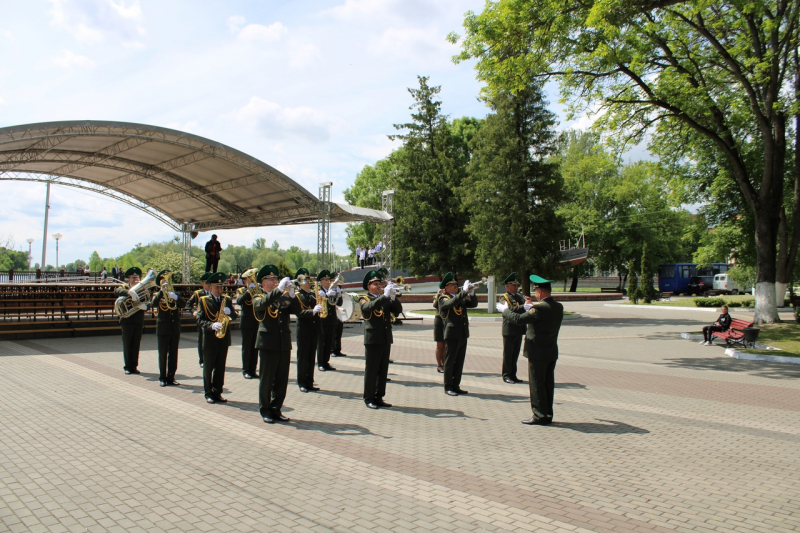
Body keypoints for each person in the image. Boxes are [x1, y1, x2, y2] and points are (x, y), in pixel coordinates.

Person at [498, 275, 564, 425]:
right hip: (551, 350)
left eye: (536, 290)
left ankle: (539, 415)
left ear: (540, 291)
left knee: (537, 384)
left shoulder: (539, 308)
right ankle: (547, 413)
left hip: (537, 351)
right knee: (548, 384)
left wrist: (505, 310)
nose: (535, 294)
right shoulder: (558, 306)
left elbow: (519, 319)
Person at [252, 265, 294, 423]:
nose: (275, 281)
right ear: (263, 283)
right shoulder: (258, 296)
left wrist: (292, 295)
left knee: (282, 379)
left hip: (283, 342)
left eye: (276, 279)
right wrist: (279, 290)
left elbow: (294, 309)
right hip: (268, 343)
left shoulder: (281, 296)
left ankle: (276, 408)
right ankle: (265, 409)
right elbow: (262, 305)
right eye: (272, 279)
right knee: (267, 379)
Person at [359, 270, 402, 409]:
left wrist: (394, 297)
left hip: (385, 337)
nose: (379, 286)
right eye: (375, 284)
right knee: (372, 370)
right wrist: (385, 295)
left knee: (383, 370)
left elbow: (397, 310)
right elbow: (369, 308)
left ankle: (379, 396)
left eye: (380, 283)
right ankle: (369, 397)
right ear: (368, 286)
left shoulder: (385, 298)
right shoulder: (364, 298)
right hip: (372, 338)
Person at [196, 272, 237, 404]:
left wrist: (231, 313)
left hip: (223, 338)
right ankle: (208, 393)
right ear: (211, 286)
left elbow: (235, 316)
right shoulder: (204, 300)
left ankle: (217, 391)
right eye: (217, 287)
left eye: (221, 287)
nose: (220, 290)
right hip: (209, 339)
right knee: (208, 367)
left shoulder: (227, 300)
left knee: (220, 367)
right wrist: (211, 325)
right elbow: (200, 319)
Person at [438, 272, 478, 396]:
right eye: (453, 285)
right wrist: (464, 292)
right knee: (450, 361)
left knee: (459, 361)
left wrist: (471, 293)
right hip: (452, 334)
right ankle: (448, 386)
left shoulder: (459, 297)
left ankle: (456, 385)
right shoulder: (443, 298)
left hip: (462, 333)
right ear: (446, 288)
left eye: (456, 284)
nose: (456, 286)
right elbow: (450, 304)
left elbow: (473, 304)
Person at [290, 268, 323, 392]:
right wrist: (312, 311)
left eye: (308, 279)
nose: (308, 282)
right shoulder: (297, 296)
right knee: (303, 358)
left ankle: (310, 381)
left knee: (311, 357)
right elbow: (299, 312)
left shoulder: (313, 295)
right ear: (299, 283)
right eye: (305, 280)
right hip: (303, 330)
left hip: (313, 329)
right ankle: (302, 382)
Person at [151, 270, 185, 387]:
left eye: (167, 281)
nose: (166, 284)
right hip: (163, 328)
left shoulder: (174, 294)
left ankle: (171, 376)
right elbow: (153, 304)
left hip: (174, 327)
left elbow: (183, 304)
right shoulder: (157, 295)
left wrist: (175, 297)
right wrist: (161, 292)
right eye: (163, 282)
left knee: (173, 353)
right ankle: (162, 377)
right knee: (163, 353)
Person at [114, 267, 148, 375]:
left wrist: (145, 306)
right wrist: (129, 293)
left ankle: (134, 366)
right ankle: (127, 366)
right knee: (127, 344)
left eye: (137, 277)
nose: (135, 279)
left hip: (138, 320)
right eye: (133, 278)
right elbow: (116, 291)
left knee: (136, 344)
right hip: (127, 320)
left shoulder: (142, 289)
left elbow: (148, 299)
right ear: (129, 279)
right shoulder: (124, 287)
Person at [500, 273, 526, 384]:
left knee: (515, 354)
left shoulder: (519, 297)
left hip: (519, 329)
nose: (516, 287)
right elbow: (508, 309)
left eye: (516, 285)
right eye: (513, 285)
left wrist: (526, 303)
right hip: (509, 330)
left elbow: (525, 308)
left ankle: (513, 374)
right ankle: (506, 375)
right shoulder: (504, 297)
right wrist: (523, 307)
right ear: (507, 286)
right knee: (508, 354)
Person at [236, 269, 260, 380]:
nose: (249, 280)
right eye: (248, 279)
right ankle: (246, 370)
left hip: (256, 321)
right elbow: (239, 301)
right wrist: (248, 292)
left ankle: (253, 369)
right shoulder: (240, 290)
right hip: (246, 322)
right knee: (247, 347)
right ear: (245, 280)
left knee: (255, 348)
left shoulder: (258, 290)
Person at [316, 269, 342, 372]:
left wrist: (338, 294)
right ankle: (320, 363)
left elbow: (338, 303)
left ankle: (326, 362)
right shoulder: (319, 291)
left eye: (329, 280)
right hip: (323, 320)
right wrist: (327, 296)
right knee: (321, 342)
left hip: (332, 320)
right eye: (326, 280)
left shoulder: (332, 290)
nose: (328, 282)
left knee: (329, 342)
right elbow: (321, 303)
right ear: (321, 281)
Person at [186, 272, 212, 367]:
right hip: (201, 319)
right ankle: (202, 360)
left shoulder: (213, 293)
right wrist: (193, 311)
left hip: (211, 319)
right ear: (203, 284)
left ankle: (210, 358)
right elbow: (188, 304)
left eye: (210, 283)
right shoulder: (198, 293)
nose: (209, 285)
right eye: (207, 282)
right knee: (202, 340)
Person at [330, 271, 348, 358]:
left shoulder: (339, 288)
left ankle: (338, 349)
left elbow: (340, 301)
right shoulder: (331, 288)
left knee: (339, 331)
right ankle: (332, 350)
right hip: (333, 313)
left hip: (339, 312)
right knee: (333, 332)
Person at [432, 289, 446, 373]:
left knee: (445, 346)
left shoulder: (449, 296)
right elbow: (435, 305)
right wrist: (439, 295)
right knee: (440, 345)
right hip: (439, 322)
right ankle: (439, 365)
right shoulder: (437, 296)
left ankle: (444, 364)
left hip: (447, 321)